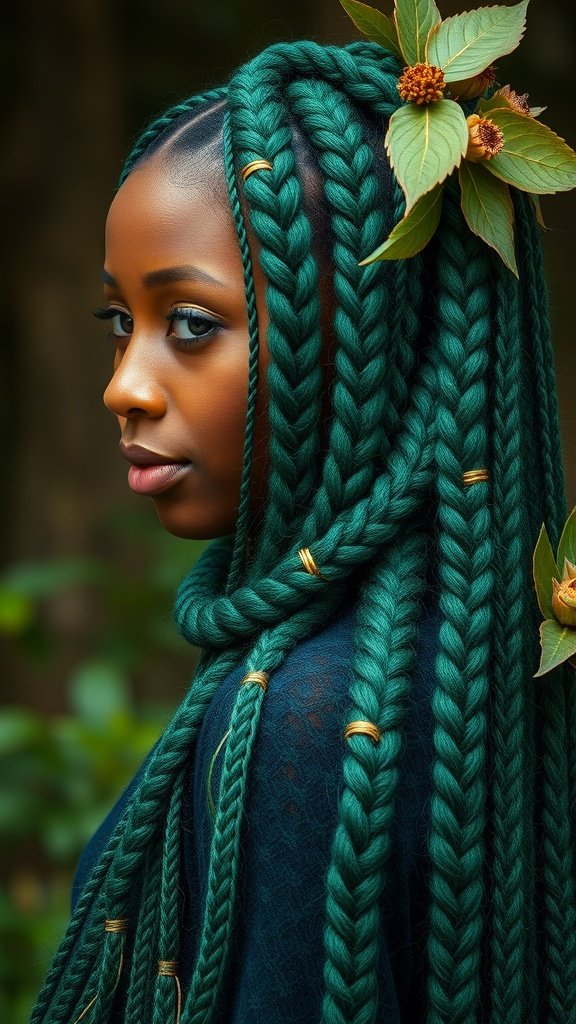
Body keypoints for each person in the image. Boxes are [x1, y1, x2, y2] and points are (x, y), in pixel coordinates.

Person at [31, 26, 576, 1024]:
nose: (127, 386)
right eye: (120, 321)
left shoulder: (314, 723)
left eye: (190, 324)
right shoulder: (476, 663)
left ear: (370, 331)